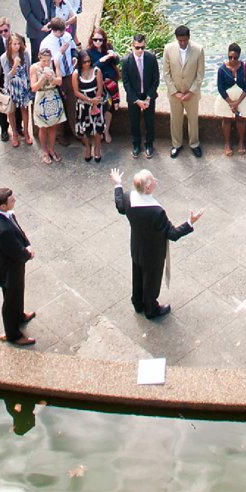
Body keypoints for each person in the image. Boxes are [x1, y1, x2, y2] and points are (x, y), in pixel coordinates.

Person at [110, 166, 200, 319]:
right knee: (151, 282)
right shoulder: (156, 212)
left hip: (137, 247)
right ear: (147, 188)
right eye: (153, 181)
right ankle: (151, 309)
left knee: (137, 276)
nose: (156, 181)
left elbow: (119, 205)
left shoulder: (128, 198)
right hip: (153, 254)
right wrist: (190, 222)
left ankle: (138, 303)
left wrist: (118, 184)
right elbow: (172, 234)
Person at [0, 188, 36, 346]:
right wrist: (28, 254)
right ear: (3, 206)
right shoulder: (3, 230)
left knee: (17, 294)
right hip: (9, 270)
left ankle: (20, 316)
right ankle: (13, 334)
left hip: (11, 267)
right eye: (12, 200)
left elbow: (16, 228)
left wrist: (26, 243)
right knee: (10, 301)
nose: (15, 201)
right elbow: (15, 252)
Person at [163, 23, 204, 158]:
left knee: (193, 120)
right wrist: (175, 92)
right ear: (176, 39)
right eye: (180, 40)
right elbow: (166, 73)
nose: (182, 43)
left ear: (188, 38)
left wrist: (191, 91)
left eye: (185, 40)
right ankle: (176, 144)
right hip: (175, 94)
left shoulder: (198, 50)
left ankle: (194, 144)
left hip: (192, 94)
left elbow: (200, 74)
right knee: (175, 120)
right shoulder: (168, 49)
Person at [121, 33, 161, 159]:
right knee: (134, 122)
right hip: (134, 97)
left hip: (148, 95)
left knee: (150, 122)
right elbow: (126, 83)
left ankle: (149, 144)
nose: (140, 50)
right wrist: (137, 100)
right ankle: (136, 144)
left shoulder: (151, 58)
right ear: (132, 46)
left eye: (142, 47)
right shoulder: (126, 60)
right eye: (137, 47)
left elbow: (156, 79)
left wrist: (149, 97)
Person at [31, 44, 66, 163]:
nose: (46, 63)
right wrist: (42, 79)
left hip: (53, 97)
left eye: (48, 60)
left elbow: (60, 81)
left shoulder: (55, 63)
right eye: (44, 60)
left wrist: (52, 78)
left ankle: (52, 149)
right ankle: (44, 151)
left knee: (53, 125)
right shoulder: (34, 68)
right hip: (41, 98)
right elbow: (33, 87)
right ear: (39, 58)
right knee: (43, 126)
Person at [216, 42, 246, 156]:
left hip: (242, 99)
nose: (232, 60)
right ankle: (227, 144)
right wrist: (231, 103)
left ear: (239, 56)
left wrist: (238, 102)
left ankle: (241, 142)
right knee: (226, 120)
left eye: (235, 57)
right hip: (227, 99)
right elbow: (220, 88)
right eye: (230, 57)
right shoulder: (222, 69)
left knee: (241, 119)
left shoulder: (245, 67)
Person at [70, 47, 105, 162]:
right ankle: (88, 147)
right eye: (84, 61)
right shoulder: (76, 73)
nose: (87, 64)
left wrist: (95, 102)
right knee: (84, 128)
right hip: (83, 104)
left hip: (96, 101)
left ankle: (97, 148)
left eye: (89, 61)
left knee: (97, 128)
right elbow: (76, 91)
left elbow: (100, 88)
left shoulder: (96, 71)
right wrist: (89, 101)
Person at [2, 32, 34, 147]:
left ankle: (26, 132)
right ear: (9, 44)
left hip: (23, 84)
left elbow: (28, 69)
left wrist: (30, 84)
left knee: (24, 109)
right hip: (12, 86)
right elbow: (7, 75)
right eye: (14, 44)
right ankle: (14, 133)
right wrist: (15, 65)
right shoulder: (4, 57)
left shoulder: (25, 53)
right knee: (11, 111)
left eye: (18, 44)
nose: (16, 46)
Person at [90, 29, 120, 146]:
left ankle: (106, 131)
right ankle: (100, 130)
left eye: (100, 40)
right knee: (99, 108)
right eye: (95, 39)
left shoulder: (108, 47)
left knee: (110, 108)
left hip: (111, 83)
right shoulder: (89, 51)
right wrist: (101, 60)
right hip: (98, 84)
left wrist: (113, 55)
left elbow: (116, 62)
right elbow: (90, 68)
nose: (98, 42)